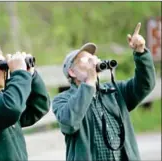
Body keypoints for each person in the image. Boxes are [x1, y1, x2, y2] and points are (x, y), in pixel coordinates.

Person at [52, 22, 156, 161]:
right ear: (72, 72)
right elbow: (69, 123)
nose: (93, 60)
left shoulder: (114, 91)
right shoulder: (63, 100)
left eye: (94, 57)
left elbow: (145, 84)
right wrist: (89, 83)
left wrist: (141, 52)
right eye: (86, 59)